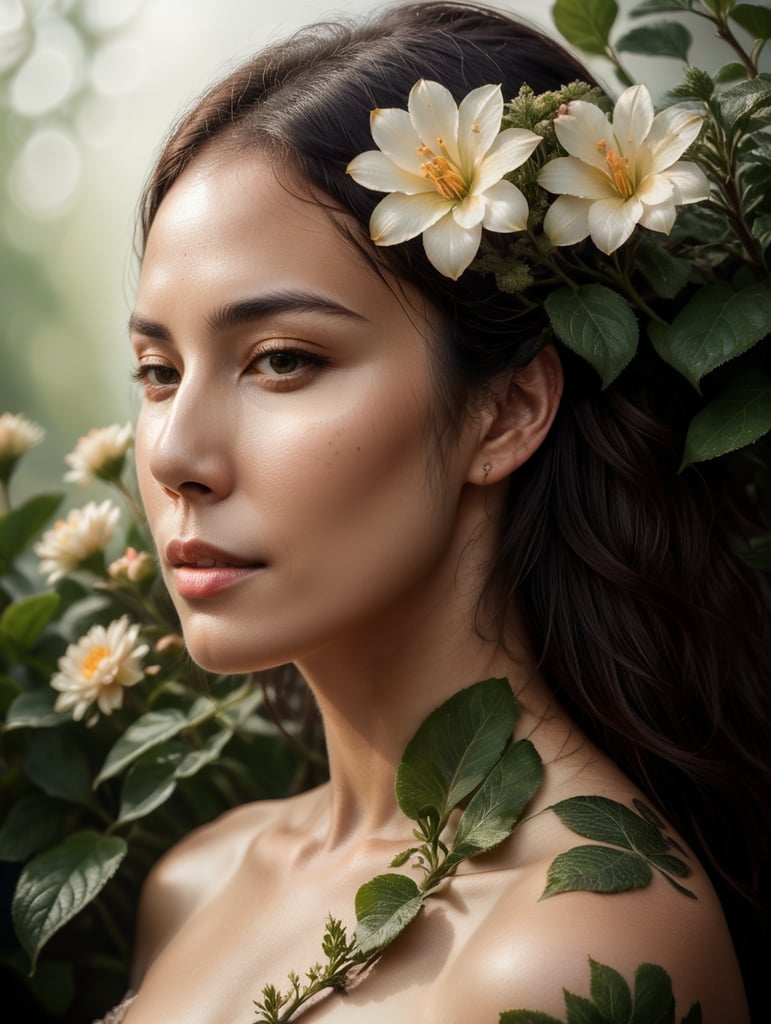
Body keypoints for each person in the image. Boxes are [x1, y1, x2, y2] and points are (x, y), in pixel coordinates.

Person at [106, 2, 770, 1021]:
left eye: (282, 360)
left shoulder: (573, 948)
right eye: (158, 370)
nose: (175, 454)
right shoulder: (194, 880)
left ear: (506, 410)